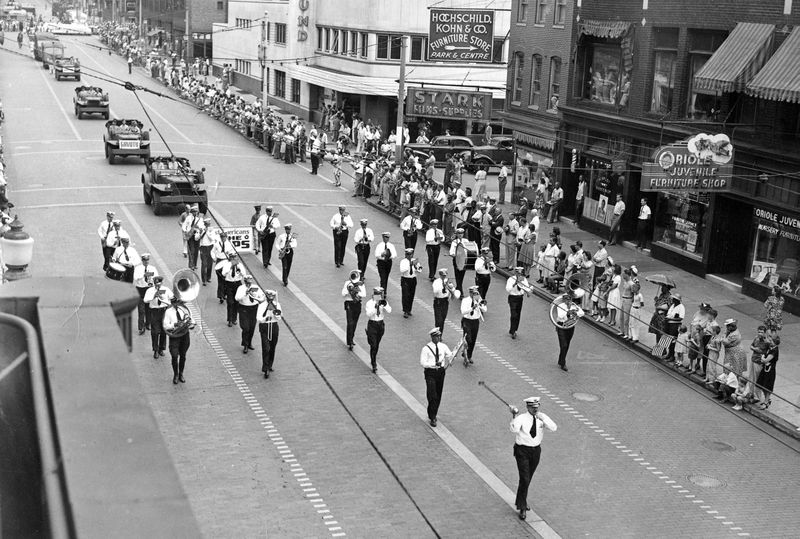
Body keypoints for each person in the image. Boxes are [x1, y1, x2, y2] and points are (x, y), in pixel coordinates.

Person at [509, 396, 557, 521]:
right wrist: (514, 415)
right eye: (532, 408)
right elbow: (513, 429)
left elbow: (554, 428)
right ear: (527, 407)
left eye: (537, 407)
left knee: (527, 478)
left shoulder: (541, 417)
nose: (535, 410)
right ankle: (522, 507)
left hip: (535, 451)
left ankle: (521, 501)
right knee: (524, 478)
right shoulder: (521, 418)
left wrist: (544, 418)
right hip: (522, 451)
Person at [420, 327, 456, 427]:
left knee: (438, 394)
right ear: (432, 337)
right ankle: (432, 417)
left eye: (439, 336)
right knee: (432, 395)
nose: (438, 338)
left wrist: (455, 353)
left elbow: (450, 355)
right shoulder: (426, 349)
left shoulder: (443, 346)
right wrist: (433, 364)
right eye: (436, 337)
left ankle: (432, 413)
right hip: (430, 372)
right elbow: (423, 362)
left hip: (440, 372)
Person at [163, 296, 194, 384]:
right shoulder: (168, 312)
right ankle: (175, 374)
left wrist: (192, 324)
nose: (177, 304)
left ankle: (181, 373)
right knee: (174, 356)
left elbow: (191, 319)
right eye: (175, 302)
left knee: (183, 355)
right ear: (172, 303)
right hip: (175, 336)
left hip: (184, 335)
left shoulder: (185, 309)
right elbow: (165, 326)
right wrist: (175, 324)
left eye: (178, 302)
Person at [553, 288, 585, 372]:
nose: (568, 300)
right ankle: (563, 363)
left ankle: (561, 360)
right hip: (561, 326)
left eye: (569, 299)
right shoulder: (560, 306)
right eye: (566, 299)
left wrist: (575, 312)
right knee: (563, 345)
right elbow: (560, 315)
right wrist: (568, 311)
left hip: (570, 326)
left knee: (567, 344)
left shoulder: (574, 305)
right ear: (563, 299)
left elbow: (582, 313)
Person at [143, 276, 172, 359]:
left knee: (163, 331)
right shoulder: (150, 290)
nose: (157, 286)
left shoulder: (166, 289)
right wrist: (154, 296)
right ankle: (155, 350)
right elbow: (145, 300)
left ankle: (161, 349)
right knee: (155, 332)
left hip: (164, 311)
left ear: (162, 283)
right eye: (156, 284)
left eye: (159, 284)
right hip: (154, 312)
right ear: (154, 283)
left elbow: (172, 297)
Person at [364, 287, 391, 373]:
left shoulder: (383, 302)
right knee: (374, 345)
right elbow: (368, 314)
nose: (379, 296)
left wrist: (385, 305)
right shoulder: (369, 303)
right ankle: (374, 363)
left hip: (380, 324)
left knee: (377, 344)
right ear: (374, 294)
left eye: (380, 294)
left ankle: (373, 357)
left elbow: (389, 311)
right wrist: (376, 307)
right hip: (372, 324)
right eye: (377, 294)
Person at [235, 276, 264, 354]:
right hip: (244, 308)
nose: (249, 284)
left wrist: (257, 297)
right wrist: (245, 293)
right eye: (247, 283)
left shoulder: (256, 287)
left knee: (252, 327)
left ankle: (249, 342)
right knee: (245, 328)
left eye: (250, 283)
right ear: (245, 282)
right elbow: (237, 298)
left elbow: (262, 296)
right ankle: (245, 345)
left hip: (253, 308)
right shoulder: (241, 288)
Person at [256, 289, 282, 378]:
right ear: (266, 296)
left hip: (274, 326)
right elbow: (258, 318)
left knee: (272, 347)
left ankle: (270, 365)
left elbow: (280, 317)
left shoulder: (277, 304)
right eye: (269, 296)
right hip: (264, 326)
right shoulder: (262, 305)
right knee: (266, 348)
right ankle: (265, 368)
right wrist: (265, 317)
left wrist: (277, 314)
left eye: (272, 297)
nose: (270, 298)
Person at [460, 286, 487, 366]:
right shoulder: (465, 300)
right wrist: (472, 308)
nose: (475, 295)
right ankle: (466, 355)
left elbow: (485, 310)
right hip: (467, 321)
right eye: (473, 293)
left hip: (475, 321)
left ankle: (469, 355)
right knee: (468, 339)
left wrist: (480, 304)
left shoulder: (479, 299)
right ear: (470, 293)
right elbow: (463, 312)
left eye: (476, 293)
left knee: (473, 339)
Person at [132, 253, 158, 335]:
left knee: (149, 309)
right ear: (142, 260)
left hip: (149, 289)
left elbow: (156, 276)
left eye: (147, 260)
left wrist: (152, 279)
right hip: (140, 289)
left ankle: (148, 324)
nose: (146, 262)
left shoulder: (152, 268)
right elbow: (136, 277)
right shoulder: (138, 268)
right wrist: (144, 274)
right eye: (144, 260)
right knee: (141, 310)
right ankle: (141, 327)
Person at [342, 270, 366, 350]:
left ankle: (351, 338)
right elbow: (343, 293)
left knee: (354, 323)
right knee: (350, 323)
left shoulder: (360, 285)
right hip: (349, 303)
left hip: (357, 304)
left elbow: (364, 294)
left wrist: (357, 292)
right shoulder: (347, 283)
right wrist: (349, 291)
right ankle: (349, 341)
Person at [755, 337, 780, 409]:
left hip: (770, 370)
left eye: (771, 341)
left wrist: (762, 358)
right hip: (765, 369)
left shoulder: (774, 350)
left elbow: (765, 360)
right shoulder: (770, 347)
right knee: (761, 384)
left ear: (775, 343)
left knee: (767, 386)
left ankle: (766, 402)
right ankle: (767, 399)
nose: (770, 341)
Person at [506, 266, 530, 339]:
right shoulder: (511, 279)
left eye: (520, 273)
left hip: (520, 298)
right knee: (514, 315)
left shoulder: (523, 279)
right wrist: (515, 284)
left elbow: (526, 287)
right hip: (513, 298)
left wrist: (528, 292)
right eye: (518, 272)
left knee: (518, 314)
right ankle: (513, 331)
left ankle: (514, 330)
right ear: (515, 272)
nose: (519, 274)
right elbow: (508, 289)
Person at [220, 253, 244, 326]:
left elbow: (244, 274)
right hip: (229, 284)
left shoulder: (240, 265)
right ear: (230, 259)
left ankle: (234, 319)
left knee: (236, 302)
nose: (234, 259)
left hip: (237, 284)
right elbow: (223, 274)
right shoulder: (227, 265)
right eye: (232, 258)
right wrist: (230, 267)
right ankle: (229, 320)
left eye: (235, 258)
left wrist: (240, 270)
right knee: (230, 302)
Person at [211, 233, 234, 303]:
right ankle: (221, 296)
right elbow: (212, 251)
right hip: (219, 260)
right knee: (220, 279)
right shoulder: (217, 244)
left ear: (226, 237)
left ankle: (225, 294)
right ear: (220, 237)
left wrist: (230, 255)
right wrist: (214, 258)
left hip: (226, 261)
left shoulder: (230, 244)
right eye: (222, 237)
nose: (223, 238)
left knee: (226, 278)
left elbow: (233, 252)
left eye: (224, 237)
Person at [399, 248, 420, 318]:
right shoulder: (403, 261)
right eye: (407, 254)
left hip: (413, 279)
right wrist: (410, 265)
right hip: (405, 279)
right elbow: (402, 270)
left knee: (411, 295)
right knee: (405, 295)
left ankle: (409, 310)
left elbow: (420, 270)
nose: (409, 256)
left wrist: (416, 266)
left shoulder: (414, 261)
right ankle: (405, 310)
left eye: (410, 254)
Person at [182, 205, 204, 270]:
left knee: (196, 250)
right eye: (194, 212)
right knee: (191, 250)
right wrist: (185, 231)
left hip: (196, 236)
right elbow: (184, 225)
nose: (195, 213)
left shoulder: (200, 219)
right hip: (190, 235)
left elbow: (202, 226)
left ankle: (195, 264)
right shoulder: (188, 218)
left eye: (196, 212)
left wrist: (199, 228)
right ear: (191, 212)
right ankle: (191, 264)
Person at [449, 228, 469, 295]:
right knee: (457, 275)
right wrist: (457, 255)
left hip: (464, 260)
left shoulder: (466, 241)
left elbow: (468, 250)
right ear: (457, 234)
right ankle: (460, 291)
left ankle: (458, 287)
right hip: (457, 260)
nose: (460, 235)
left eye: (461, 233)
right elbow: (451, 252)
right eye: (459, 234)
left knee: (462, 275)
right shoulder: (454, 242)